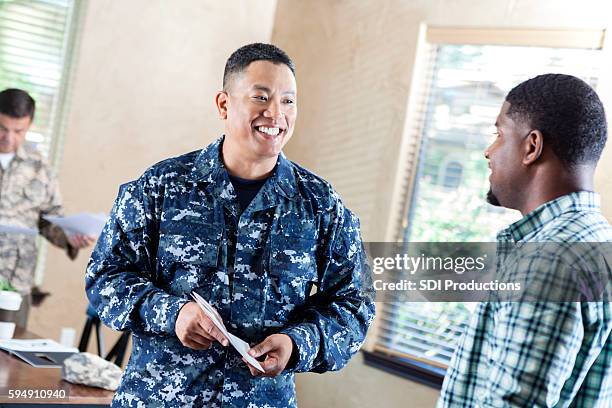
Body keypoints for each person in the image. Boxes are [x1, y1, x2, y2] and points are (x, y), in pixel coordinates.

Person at [86, 43, 375, 407]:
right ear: (224, 104)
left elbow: (354, 303)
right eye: (261, 97)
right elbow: (105, 277)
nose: (276, 114)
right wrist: (172, 313)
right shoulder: (161, 186)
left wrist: (297, 343)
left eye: (288, 101)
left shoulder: (321, 206)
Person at [438, 74, 612, 407]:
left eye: (499, 134)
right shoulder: (598, 241)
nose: (489, 151)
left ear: (532, 146)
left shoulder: (548, 259)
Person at [0, 88, 94, 327]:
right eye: (2, 128)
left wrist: (69, 237)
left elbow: (49, 218)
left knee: (8, 357)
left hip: (15, 282)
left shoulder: (39, 166)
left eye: (18, 131)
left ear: (29, 125)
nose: (9, 138)